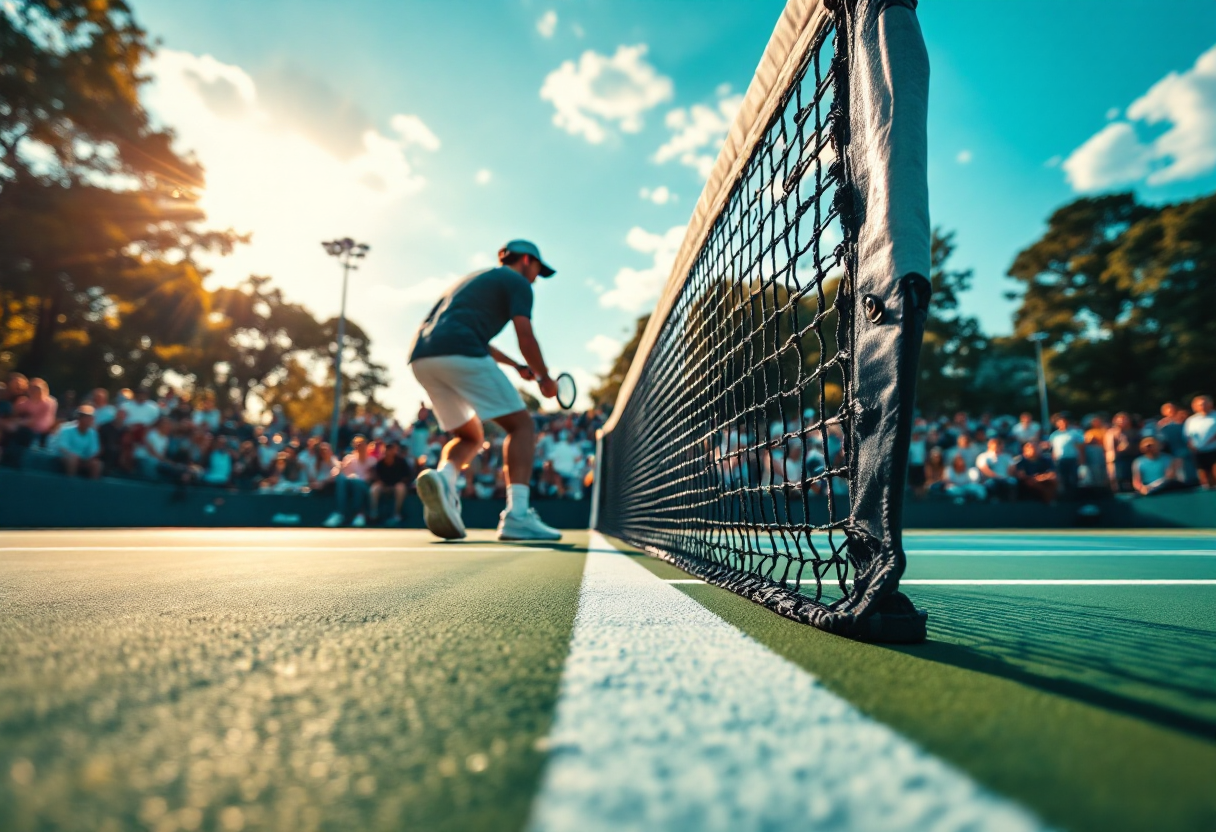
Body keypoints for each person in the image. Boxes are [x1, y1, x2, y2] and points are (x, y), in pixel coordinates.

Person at [407, 239, 563, 541]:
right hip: (459, 352)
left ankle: (444, 479)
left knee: (469, 436)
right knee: (521, 426)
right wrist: (545, 378)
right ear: (527, 261)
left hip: (422, 358)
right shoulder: (518, 282)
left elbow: (467, 335)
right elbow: (525, 334)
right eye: (537, 271)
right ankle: (517, 515)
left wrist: (517, 366)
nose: (535, 279)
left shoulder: (473, 280)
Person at [370, 442, 412, 526]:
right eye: (387, 449)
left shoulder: (401, 462)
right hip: (384, 486)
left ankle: (397, 514)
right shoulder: (380, 463)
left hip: (397, 486)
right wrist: (383, 485)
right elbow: (377, 477)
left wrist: (398, 483)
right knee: (374, 489)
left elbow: (408, 477)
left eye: (391, 449)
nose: (389, 452)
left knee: (400, 487)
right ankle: (374, 513)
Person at [55, 406, 102, 478]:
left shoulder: (93, 433)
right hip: (65, 459)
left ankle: (93, 487)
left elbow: (94, 451)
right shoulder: (66, 429)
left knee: (97, 464)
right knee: (72, 459)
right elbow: (62, 448)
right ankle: (71, 484)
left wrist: (87, 458)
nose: (89, 420)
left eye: (90, 418)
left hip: (84, 460)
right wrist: (74, 456)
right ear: (80, 418)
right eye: (86, 417)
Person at [1048, 413, 1085, 499]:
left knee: (1073, 480)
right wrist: (1053, 463)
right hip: (1060, 461)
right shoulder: (1054, 435)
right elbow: (1054, 450)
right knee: (1063, 480)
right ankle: (1065, 499)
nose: (1062, 423)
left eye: (1064, 421)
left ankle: (1075, 498)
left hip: (1072, 460)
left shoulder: (1075, 433)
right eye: (1060, 422)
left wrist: (1082, 463)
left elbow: (1081, 449)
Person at [1185, 396, 1216, 488]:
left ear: (1211, 404)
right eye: (1200, 404)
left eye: (1205, 403)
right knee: (1204, 477)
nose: (1203, 406)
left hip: (1214, 450)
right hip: (1199, 452)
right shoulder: (1191, 420)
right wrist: (1192, 447)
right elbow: (1188, 436)